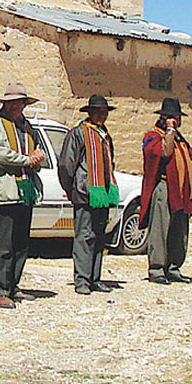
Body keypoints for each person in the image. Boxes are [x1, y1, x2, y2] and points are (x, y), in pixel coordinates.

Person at [0, 83, 47, 308]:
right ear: (5, 103)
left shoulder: (27, 127)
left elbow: (39, 151)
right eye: (13, 102)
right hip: (5, 191)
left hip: (25, 191)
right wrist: (27, 160)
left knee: (21, 243)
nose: (16, 106)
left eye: (20, 102)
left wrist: (38, 158)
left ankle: (13, 285)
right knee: (3, 245)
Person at [58, 94, 119, 295]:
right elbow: (67, 165)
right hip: (85, 192)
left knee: (99, 236)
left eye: (104, 113)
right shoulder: (79, 134)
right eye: (98, 112)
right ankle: (82, 279)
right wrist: (71, 188)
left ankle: (95, 277)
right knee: (84, 236)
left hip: (102, 193)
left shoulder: (104, 135)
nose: (101, 116)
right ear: (89, 113)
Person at [140, 96, 192, 284]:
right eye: (172, 117)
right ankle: (157, 269)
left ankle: (173, 267)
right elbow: (163, 153)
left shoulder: (178, 139)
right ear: (164, 118)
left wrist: (174, 133)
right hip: (164, 188)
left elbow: (190, 154)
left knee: (178, 231)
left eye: (178, 118)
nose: (176, 120)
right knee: (160, 228)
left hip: (180, 189)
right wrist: (170, 131)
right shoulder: (153, 136)